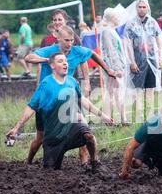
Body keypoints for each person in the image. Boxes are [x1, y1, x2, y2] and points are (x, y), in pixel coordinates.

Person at [23, 25, 116, 164]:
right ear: (58, 38)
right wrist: (47, 60)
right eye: (66, 40)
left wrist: (108, 70)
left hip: (67, 97)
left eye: (72, 40)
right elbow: (28, 57)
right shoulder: (50, 51)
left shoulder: (77, 51)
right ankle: (29, 161)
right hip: (48, 99)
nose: (70, 43)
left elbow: (93, 54)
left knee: (85, 132)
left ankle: (89, 163)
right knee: (40, 138)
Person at [6, 52, 113, 171]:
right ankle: (29, 162)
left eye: (66, 61)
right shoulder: (46, 85)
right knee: (50, 169)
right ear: (52, 66)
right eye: (60, 61)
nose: (65, 64)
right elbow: (31, 107)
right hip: (53, 135)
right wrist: (16, 128)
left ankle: (94, 163)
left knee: (88, 136)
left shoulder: (72, 81)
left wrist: (103, 116)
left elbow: (82, 100)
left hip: (70, 127)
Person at [123, 0, 162, 121]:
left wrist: (159, 58)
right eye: (139, 7)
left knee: (150, 89)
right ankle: (138, 117)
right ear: (136, 8)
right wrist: (131, 61)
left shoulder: (153, 22)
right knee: (137, 91)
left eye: (144, 7)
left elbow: (159, 40)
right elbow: (128, 44)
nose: (142, 9)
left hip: (151, 62)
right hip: (137, 62)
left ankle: (149, 116)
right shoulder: (131, 24)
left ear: (147, 8)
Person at [100, 7, 129, 124]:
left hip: (117, 67)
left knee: (117, 93)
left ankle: (122, 118)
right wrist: (115, 69)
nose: (119, 19)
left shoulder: (112, 31)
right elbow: (111, 52)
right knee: (112, 93)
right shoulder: (107, 31)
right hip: (112, 69)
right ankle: (110, 119)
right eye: (117, 16)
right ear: (112, 18)